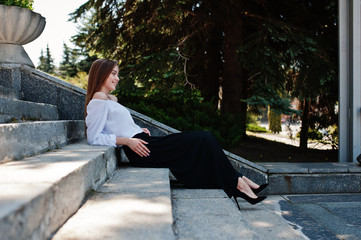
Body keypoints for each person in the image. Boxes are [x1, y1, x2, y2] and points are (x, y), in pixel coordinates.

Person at [85, 58, 268, 209]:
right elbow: (94, 137)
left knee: (205, 140)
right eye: (114, 74)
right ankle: (239, 184)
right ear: (101, 74)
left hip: (144, 142)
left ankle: (239, 180)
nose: (118, 78)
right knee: (204, 138)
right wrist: (127, 141)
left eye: (118, 74)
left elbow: (117, 124)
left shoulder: (108, 99)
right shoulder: (98, 101)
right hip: (141, 150)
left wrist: (137, 130)